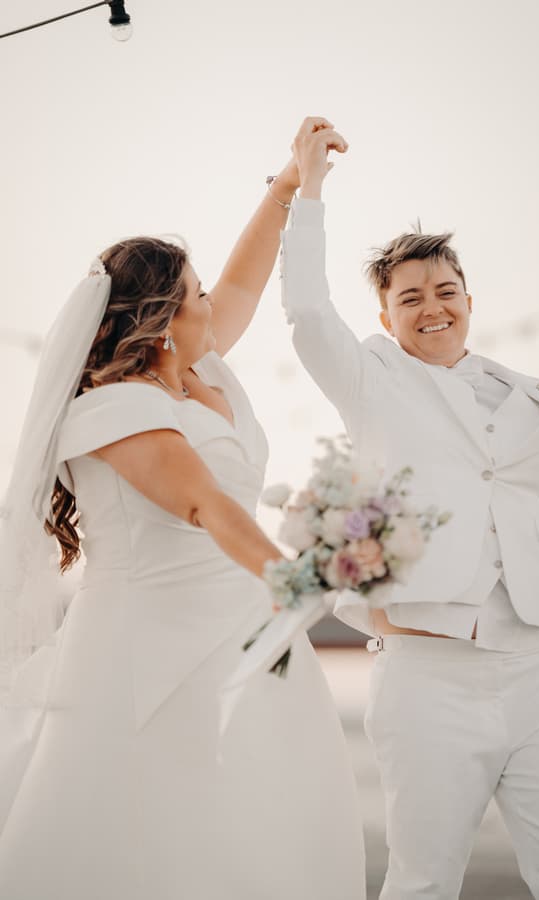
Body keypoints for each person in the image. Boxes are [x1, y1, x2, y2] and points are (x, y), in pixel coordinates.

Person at [0, 117, 366, 900]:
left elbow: (242, 282)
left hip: (240, 631)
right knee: (161, 833)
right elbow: (205, 504)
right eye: (197, 298)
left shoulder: (204, 378)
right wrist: (294, 580)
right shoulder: (108, 410)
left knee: (264, 822)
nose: (215, 305)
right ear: (165, 322)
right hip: (152, 652)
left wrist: (290, 183)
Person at [282, 125, 539, 899]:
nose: (432, 308)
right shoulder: (371, 381)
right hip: (428, 677)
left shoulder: (536, 399)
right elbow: (309, 312)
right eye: (410, 298)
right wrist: (307, 190)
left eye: (445, 291)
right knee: (424, 881)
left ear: (468, 299)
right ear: (388, 317)